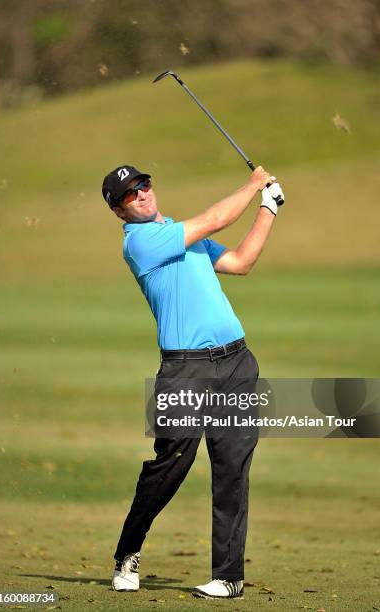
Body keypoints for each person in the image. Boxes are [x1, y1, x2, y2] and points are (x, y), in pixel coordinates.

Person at [101, 164, 284, 599]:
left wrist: (268, 209)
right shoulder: (142, 241)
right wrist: (253, 184)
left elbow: (240, 263)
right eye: (131, 194)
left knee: (233, 469)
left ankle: (228, 577)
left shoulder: (184, 234)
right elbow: (217, 218)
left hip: (238, 363)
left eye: (144, 185)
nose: (143, 195)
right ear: (118, 210)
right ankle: (128, 553)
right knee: (171, 464)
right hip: (186, 369)